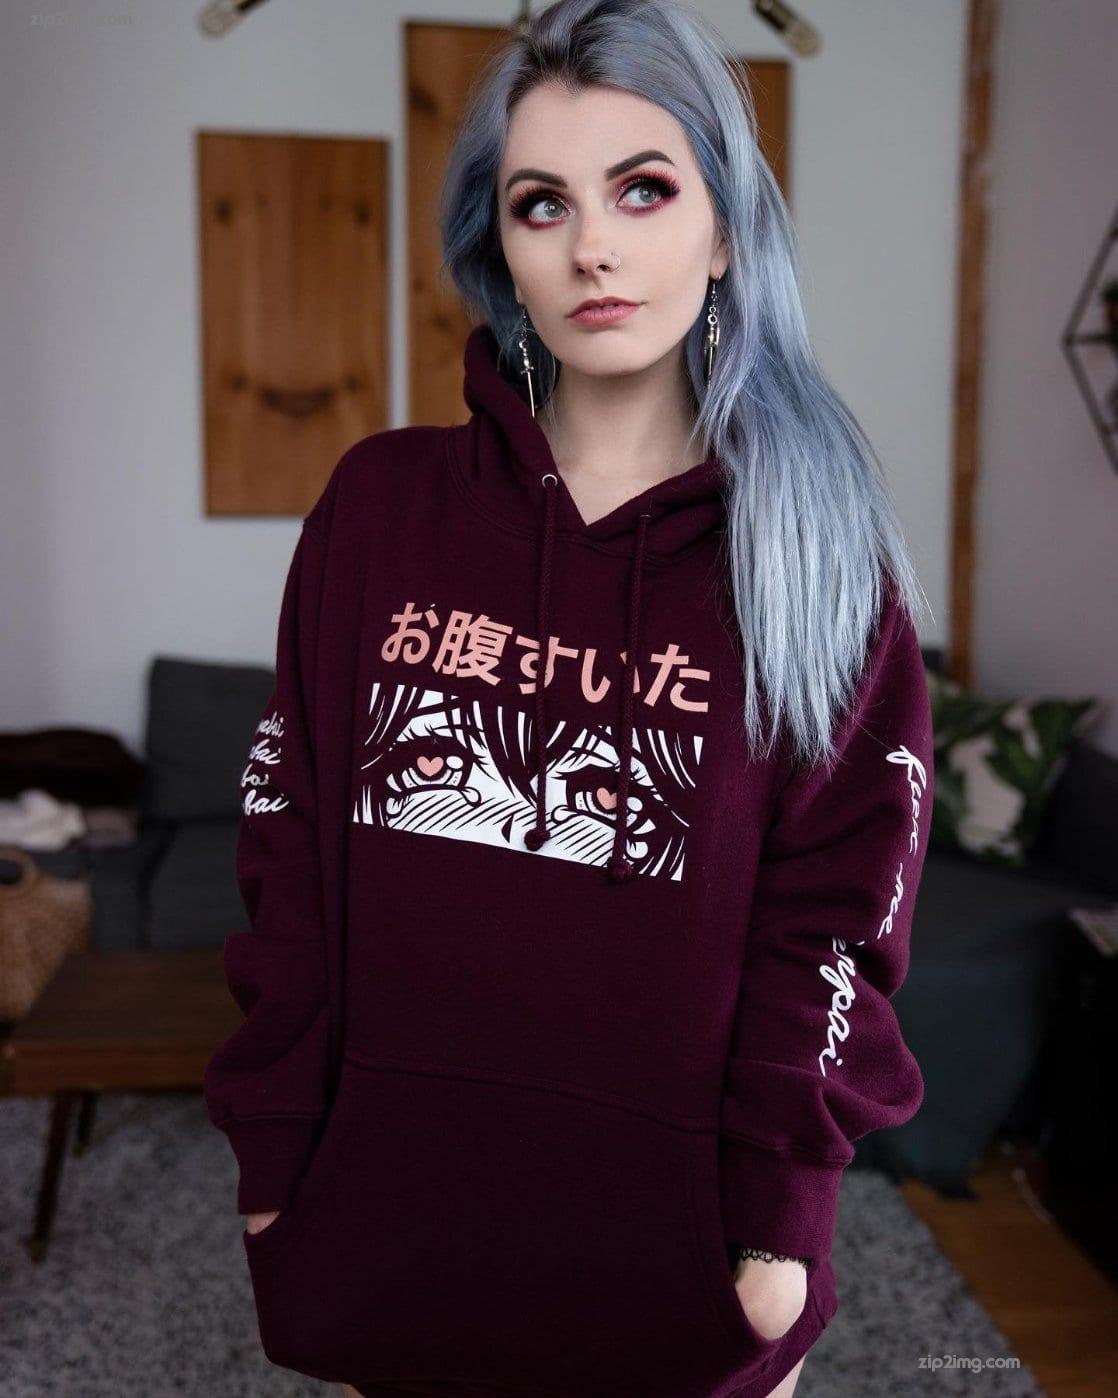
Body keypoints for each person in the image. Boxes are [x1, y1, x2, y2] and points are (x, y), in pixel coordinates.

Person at [202, 2, 935, 1395]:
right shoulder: (380, 506)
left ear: (724, 232)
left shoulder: (819, 557)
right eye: (543, 204)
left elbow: (837, 921)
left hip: (686, 1271)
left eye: (642, 189)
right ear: (502, 252)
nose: (593, 246)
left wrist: (772, 1237)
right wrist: (276, 1162)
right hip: (388, 1238)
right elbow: (286, 854)